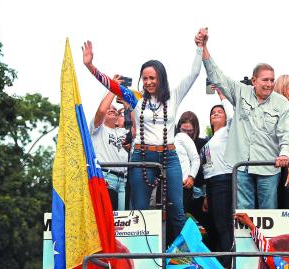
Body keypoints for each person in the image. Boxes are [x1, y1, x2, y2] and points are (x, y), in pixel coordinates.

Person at [82, 36, 203, 241]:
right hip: (141, 156)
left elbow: (193, 74)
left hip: (169, 156)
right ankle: (141, 255)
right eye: (145, 78)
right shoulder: (136, 98)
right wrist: (90, 65)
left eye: (152, 78)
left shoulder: (174, 95)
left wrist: (200, 48)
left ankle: (185, 255)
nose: (148, 82)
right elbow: (111, 85)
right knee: (139, 209)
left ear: (161, 78)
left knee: (177, 209)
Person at [196, 28, 289, 209]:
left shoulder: (282, 103)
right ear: (254, 80)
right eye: (265, 80)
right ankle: (243, 239)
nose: (269, 84)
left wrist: (285, 154)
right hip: (241, 165)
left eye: (272, 80)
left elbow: (287, 133)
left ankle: (266, 239)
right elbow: (216, 76)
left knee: (268, 212)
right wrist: (203, 47)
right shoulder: (240, 91)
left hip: (268, 165)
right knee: (243, 213)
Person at [200, 87, 235, 268]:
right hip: (212, 183)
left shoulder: (228, 132)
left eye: (219, 112)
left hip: (225, 180)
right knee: (217, 224)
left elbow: (231, 116)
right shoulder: (210, 139)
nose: (216, 113)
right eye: (213, 112)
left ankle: (229, 261)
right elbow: (207, 168)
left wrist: (222, 97)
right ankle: (223, 258)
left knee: (224, 224)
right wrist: (206, 194)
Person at [175, 111, 218, 251]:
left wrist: (206, 195)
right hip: (181, 189)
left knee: (210, 225)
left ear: (196, 129)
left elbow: (208, 169)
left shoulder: (203, 143)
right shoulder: (174, 142)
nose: (187, 134)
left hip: (199, 191)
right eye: (183, 130)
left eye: (190, 131)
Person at [89, 91, 128, 211]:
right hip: (105, 177)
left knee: (122, 224)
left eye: (115, 108)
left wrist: (126, 103)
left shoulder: (123, 132)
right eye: (109, 108)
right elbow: (101, 111)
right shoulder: (97, 129)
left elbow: (136, 121)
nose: (112, 109)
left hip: (124, 181)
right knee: (105, 217)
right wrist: (112, 88)